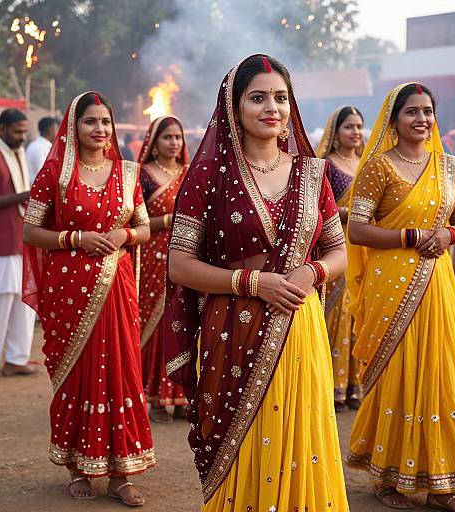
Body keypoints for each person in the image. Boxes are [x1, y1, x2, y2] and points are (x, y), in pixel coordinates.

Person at [164, 54, 349, 511]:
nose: (272, 107)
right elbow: (180, 264)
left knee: (298, 441)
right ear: (234, 106)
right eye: (258, 97)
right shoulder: (208, 175)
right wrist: (252, 282)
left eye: (281, 97)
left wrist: (311, 271)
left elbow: (338, 251)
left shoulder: (313, 173)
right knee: (242, 445)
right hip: (233, 331)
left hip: (299, 331)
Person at [346, 83, 455, 511]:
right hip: (391, 285)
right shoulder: (378, 168)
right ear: (394, 119)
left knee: (439, 370)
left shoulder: (448, 167)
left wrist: (447, 234)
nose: (421, 119)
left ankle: (443, 483)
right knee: (398, 372)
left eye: (427, 111)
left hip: (435, 283)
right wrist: (412, 235)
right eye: (411, 112)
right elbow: (357, 230)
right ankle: (387, 476)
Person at [22, 92, 155, 506]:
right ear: (73, 128)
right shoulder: (56, 176)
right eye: (90, 122)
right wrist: (75, 238)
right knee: (78, 373)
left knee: (122, 370)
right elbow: (31, 231)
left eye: (106, 122)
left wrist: (124, 235)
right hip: (69, 290)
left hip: (116, 288)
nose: (100, 130)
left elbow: (145, 228)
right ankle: (79, 466)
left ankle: (122, 474)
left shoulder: (128, 173)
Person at [138, 115, 189, 422]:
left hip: (187, 256)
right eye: (167, 137)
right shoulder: (143, 175)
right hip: (153, 258)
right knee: (156, 326)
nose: (174, 143)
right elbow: (135, 219)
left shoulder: (190, 172)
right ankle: (156, 397)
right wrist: (171, 220)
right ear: (154, 143)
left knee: (184, 322)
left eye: (178, 137)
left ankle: (182, 396)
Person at [316, 106, 364, 411]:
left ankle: (353, 385)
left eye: (359, 126)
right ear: (336, 132)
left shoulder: (367, 164)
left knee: (359, 313)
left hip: (364, 248)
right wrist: (354, 214)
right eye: (349, 127)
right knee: (336, 314)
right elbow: (319, 209)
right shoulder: (326, 166)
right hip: (335, 247)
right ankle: (332, 385)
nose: (356, 132)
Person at [0, 108, 37, 376]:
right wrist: (24, 194)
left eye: (24, 132)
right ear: (2, 129)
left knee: (21, 302)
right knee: (2, 302)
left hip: (20, 238)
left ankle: (16, 359)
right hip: (2, 242)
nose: (22, 137)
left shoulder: (17, 152)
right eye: (16, 132)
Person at [26, 117, 58, 184]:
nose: (58, 133)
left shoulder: (41, 146)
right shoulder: (39, 148)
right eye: (56, 129)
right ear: (50, 130)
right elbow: (44, 176)